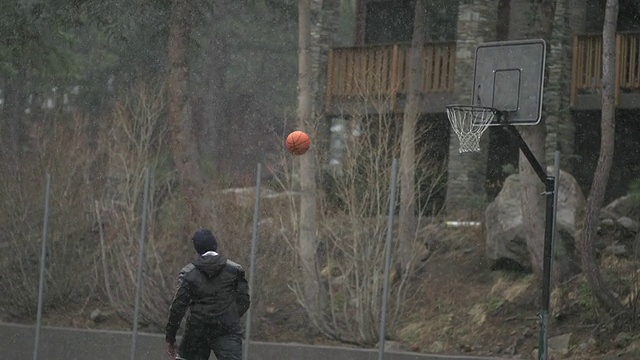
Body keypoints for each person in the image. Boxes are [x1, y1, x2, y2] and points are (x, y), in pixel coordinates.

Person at [165, 229, 250, 360]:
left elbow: (178, 307)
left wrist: (170, 337)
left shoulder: (188, 273)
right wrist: (229, 316)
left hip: (197, 330)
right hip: (227, 330)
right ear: (215, 245)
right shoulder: (234, 270)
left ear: (197, 248)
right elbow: (244, 300)